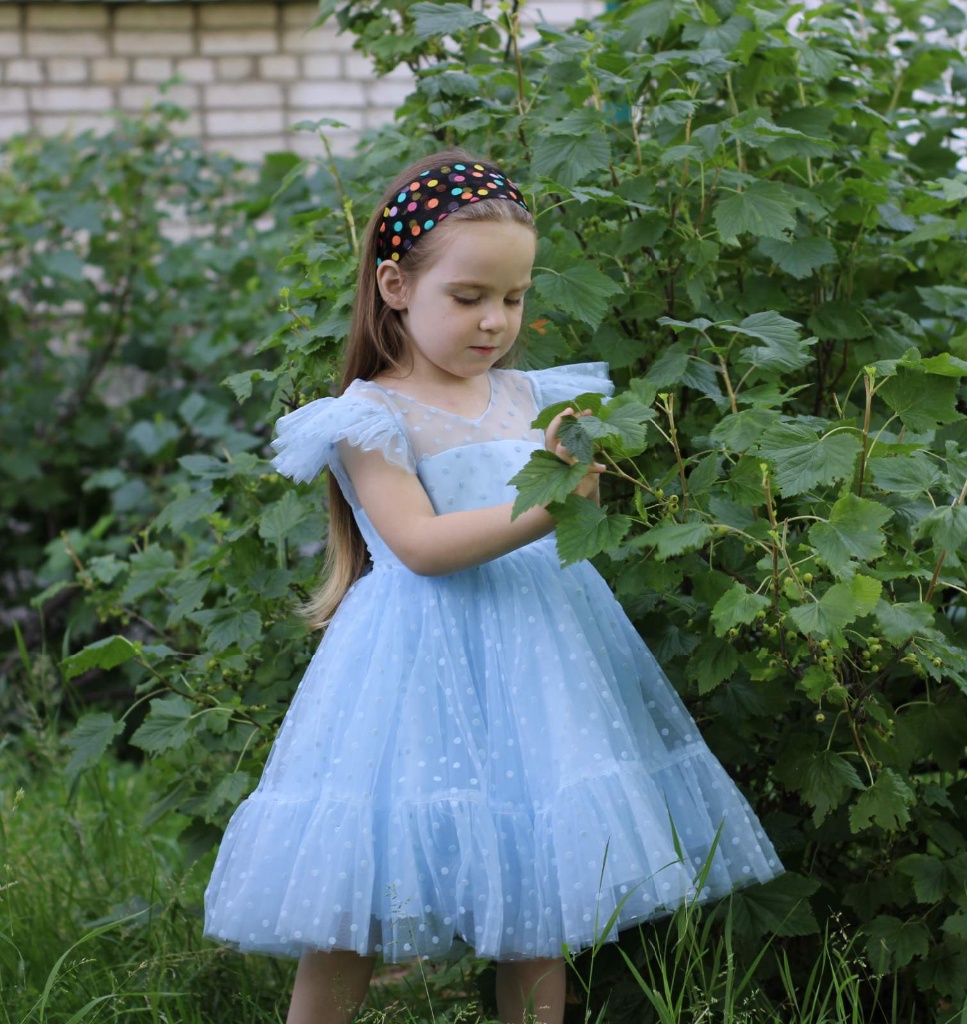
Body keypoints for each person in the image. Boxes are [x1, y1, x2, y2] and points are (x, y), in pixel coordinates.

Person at [204, 151, 782, 1024]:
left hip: (540, 657)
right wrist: (549, 502)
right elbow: (422, 546)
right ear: (396, 286)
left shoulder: (534, 398)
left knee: (541, 889)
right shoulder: (373, 415)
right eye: (468, 297)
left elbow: (578, 504)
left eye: (513, 299)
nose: (495, 322)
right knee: (357, 885)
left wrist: (575, 486)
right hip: (412, 670)